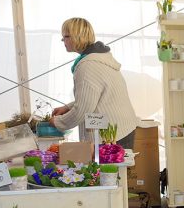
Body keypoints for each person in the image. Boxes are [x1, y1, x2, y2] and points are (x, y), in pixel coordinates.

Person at [50, 17, 137, 149]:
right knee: (116, 170)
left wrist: (57, 122)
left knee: (107, 170)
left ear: (77, 36)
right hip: (120, 127)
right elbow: (94, 95)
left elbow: (82, 110)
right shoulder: (97, 58)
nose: (63, 41)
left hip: (112, 134)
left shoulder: (87, 65)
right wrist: (67, 107)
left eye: (66, 36)